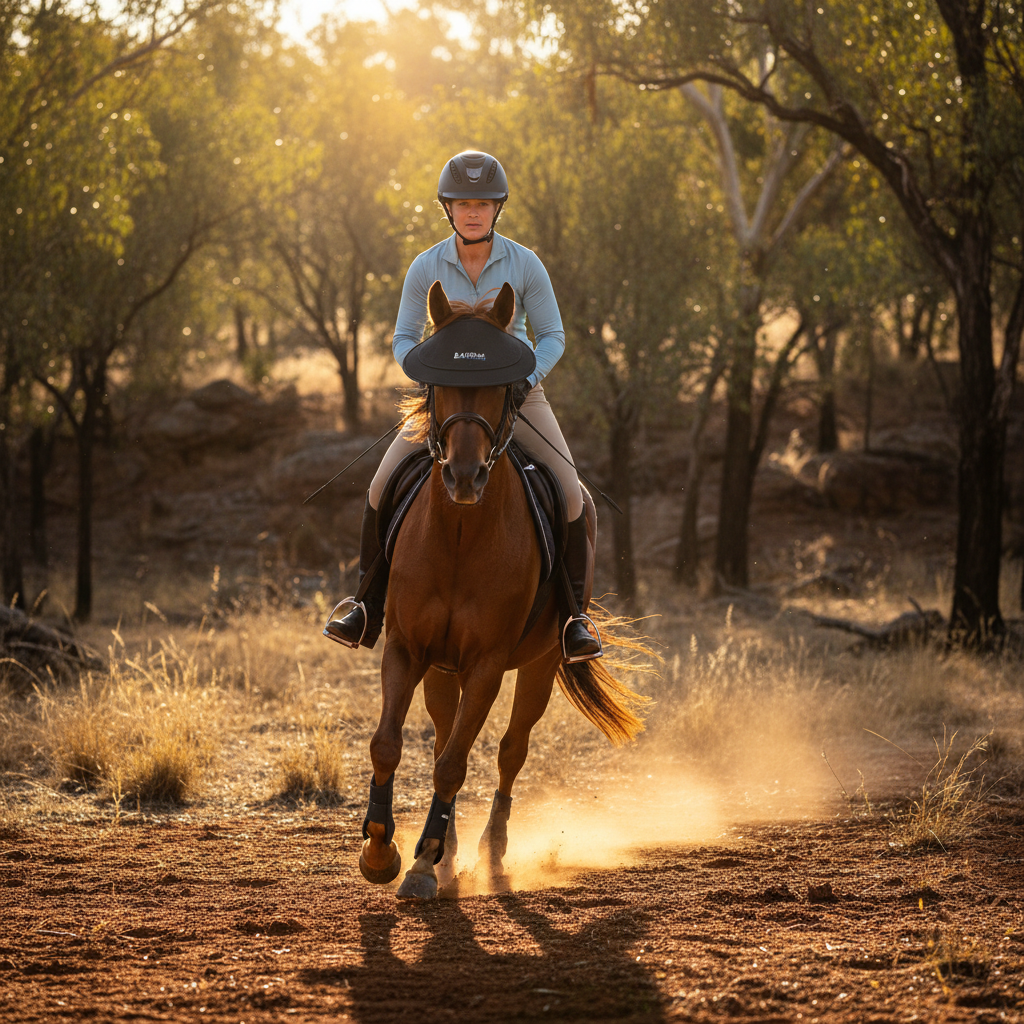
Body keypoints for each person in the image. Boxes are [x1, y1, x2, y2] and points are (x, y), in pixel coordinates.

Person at [323, 149, 600, 662]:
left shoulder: (525, 263)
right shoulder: (425, 265)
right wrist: (429, 376)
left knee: (570, 493)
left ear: (499, 208)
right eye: (462, 202)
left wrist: (525, 379)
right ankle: (365, 607)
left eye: (484, 203)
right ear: (446, 208)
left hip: (515, 395)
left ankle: (573, 621)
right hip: (444, 400)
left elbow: (554, 336)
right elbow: (404, 339)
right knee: (380, 485)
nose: (473, 211)